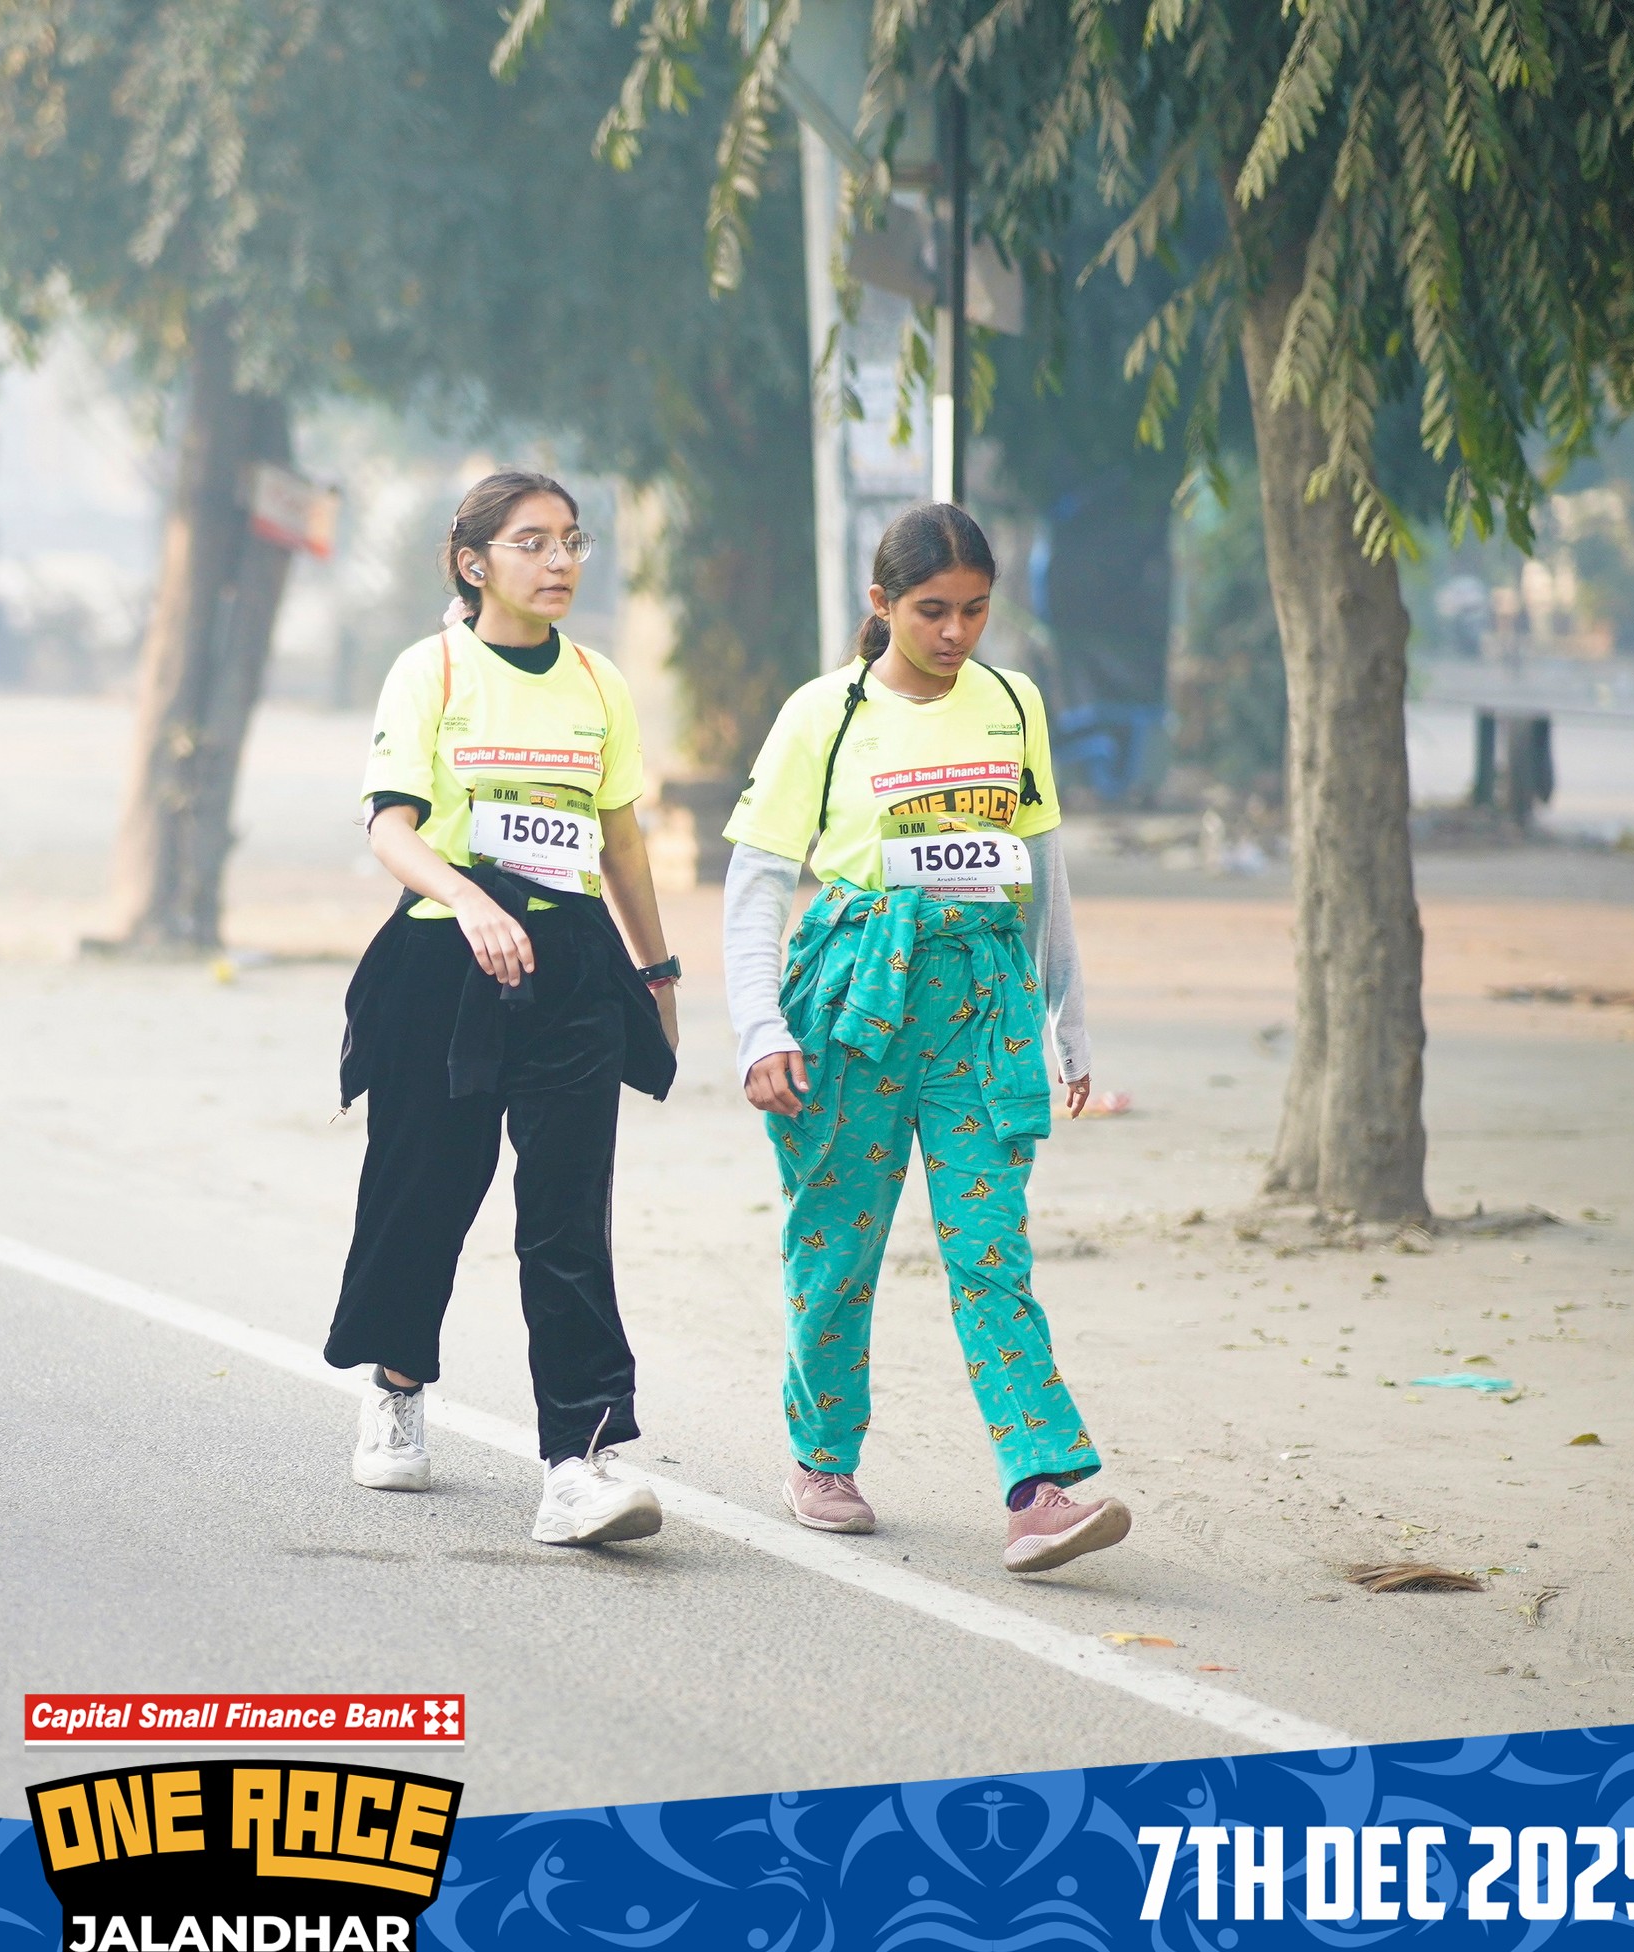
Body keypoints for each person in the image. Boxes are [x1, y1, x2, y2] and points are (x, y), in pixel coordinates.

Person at [721, 501, 1130, 1574]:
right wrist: (759, 1028)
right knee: (837, 1244)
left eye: (976, 610)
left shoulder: (1014, 703)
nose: (956, 633)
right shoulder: (823, 715)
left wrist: (1066, 1020)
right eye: (933, 610)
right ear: (883, 603)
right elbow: (758, 883)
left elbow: (1041, 870)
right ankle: (821, 1458)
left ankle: (1039, 1487)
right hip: (852, 999)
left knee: (991, 1245)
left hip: (981, 1004)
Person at [327, 471, 681, 1547]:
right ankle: (396, 1383)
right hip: (443, 966)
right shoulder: (429, 670)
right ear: (474, 562)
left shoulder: (598, 682)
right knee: (425, 1194)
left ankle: (581, 1458)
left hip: (570, 968)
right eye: (533, 542)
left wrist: (657, 975)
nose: (560, 561)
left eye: (571, 540)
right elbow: (391, 827)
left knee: (569, 1217)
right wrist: (471, 902)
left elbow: (621, 840)